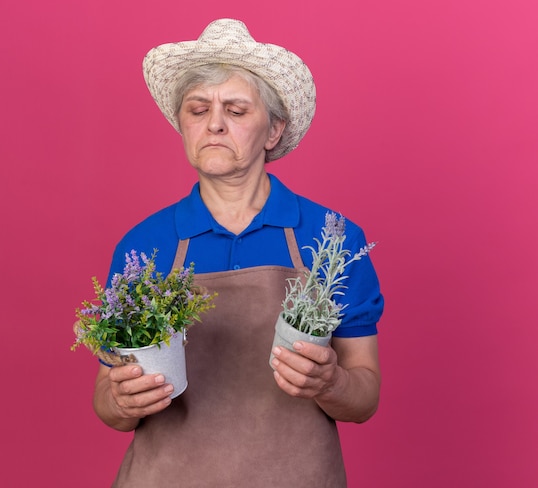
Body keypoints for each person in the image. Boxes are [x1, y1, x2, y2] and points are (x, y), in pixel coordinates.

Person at [92, 18, 384, 487]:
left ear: (273, 131)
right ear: (183, 124)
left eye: (237, 109)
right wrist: (121, 400)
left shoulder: (334, 242)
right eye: (198, 108)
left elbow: (364, 394)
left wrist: (332, 383)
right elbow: (107, 401)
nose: (214, 123)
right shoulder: (143, 246)